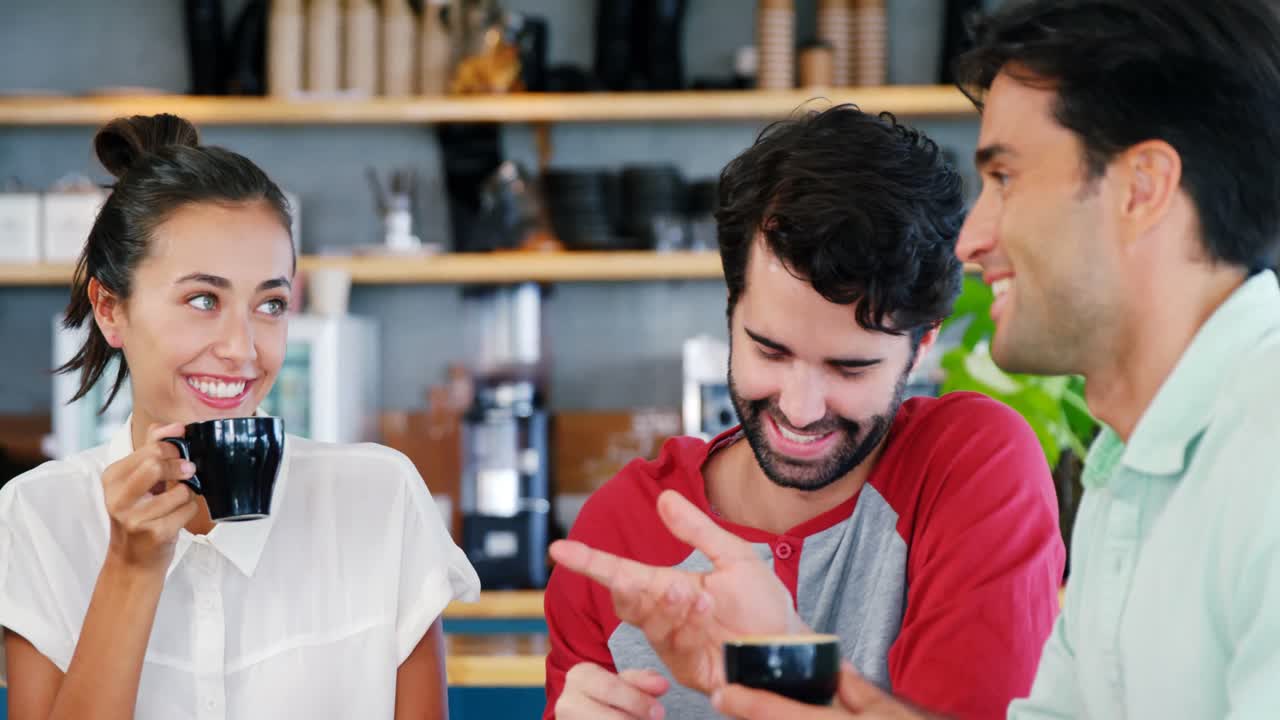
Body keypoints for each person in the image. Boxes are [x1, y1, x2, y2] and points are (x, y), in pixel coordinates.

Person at [592, 1, 1280, 718]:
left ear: (1141, 190)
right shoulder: (1128, 473)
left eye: (1005, 178)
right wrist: (788, 668)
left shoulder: (1265, 463)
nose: (971, 238)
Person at [543, 105, 1065, 720]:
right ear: (731, 308)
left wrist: (787, 666)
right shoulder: (621, 534)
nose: (800, 407)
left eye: (849, 368)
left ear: (922, 343)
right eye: (770, 350)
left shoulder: (969, 468)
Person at [0, 114, 480, 720]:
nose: (243, 347)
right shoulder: (39, 517)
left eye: (271, 303)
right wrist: (130, 568)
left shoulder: (381, 499)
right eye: (204, 300)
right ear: (110, 309)